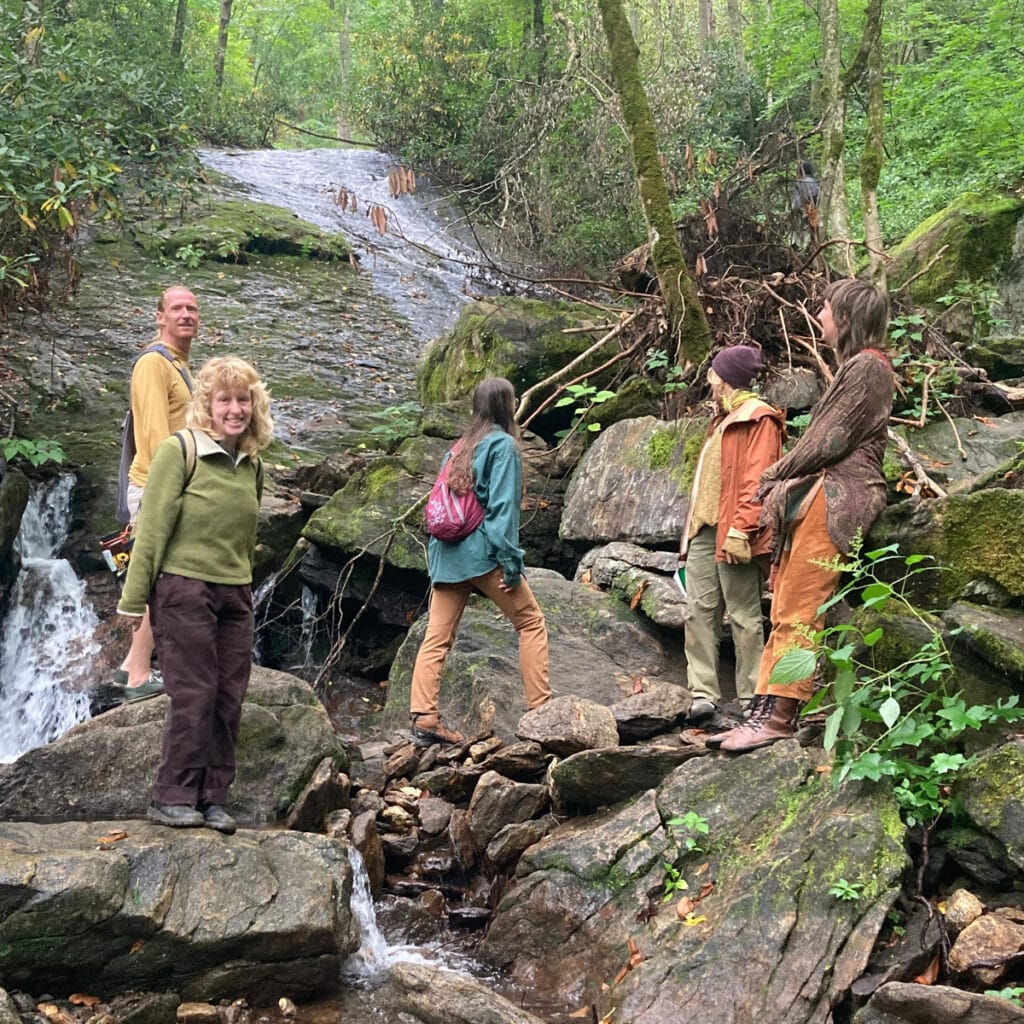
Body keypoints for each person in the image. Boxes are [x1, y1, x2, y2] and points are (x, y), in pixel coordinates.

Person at [712, 278, 894, 753]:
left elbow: (829, 440)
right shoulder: (858, 367)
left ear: (846, 318)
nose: (819, 316)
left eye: (826, 308)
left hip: (839, 496)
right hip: (822, 494)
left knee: (799, 610)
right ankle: (762, 711)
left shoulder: (868, 368)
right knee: (784, 608)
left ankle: (779, 717)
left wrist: (774, 475)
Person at [117, 356, 272, 831]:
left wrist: (243, 583)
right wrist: (134, 600)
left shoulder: (252, 464)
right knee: (195, 693)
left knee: (229, 695)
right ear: (207, 404)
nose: (235, 409)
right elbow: (151, 531)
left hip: (235, 593)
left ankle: (213, 798)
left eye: (243, 399)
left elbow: (245, 535)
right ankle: (171, 795)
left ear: (254, 405)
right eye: (224, 399)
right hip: (183, 588)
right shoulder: (178, 451)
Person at [409, 377, 551, 746]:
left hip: (446, 556)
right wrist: (511, 564)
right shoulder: (503, 446)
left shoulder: (458, 447)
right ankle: (542, 711)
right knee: (530, 622)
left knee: (437, 637)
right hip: (483, 556)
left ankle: (425, 718)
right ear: (507, 406)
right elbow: (502, 511)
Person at [680, 346, 785, 722]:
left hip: (735, 531)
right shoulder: (723, 418)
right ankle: (702, 694)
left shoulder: (759, 418)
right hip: (705, 529)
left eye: (713, 373)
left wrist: (743, 528)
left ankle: (752, 697)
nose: (709, 380)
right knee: (698, 611)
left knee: (744, 615)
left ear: (725, 379)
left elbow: (760, 479)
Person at [114, 286, 198, 701]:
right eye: (177, 308)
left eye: (192, 309)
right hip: (155, 485)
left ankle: (130, 665)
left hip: (165, 483)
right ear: (160, 317)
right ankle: (139, 676)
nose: (186, 314)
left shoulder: (179, 365)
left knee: (156, 576)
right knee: (154, 578)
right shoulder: (153, 363)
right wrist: (170, 489)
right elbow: (152, 435)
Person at [791, 161, 820, 250]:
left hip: (802, 209)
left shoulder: (799, 182)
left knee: (799, 228)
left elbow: (796, 200)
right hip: (812, 210)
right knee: (808, 229)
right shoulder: (813, 182)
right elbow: (816, 195)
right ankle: (807, 247)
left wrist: (794, 209)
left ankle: (797, 245)